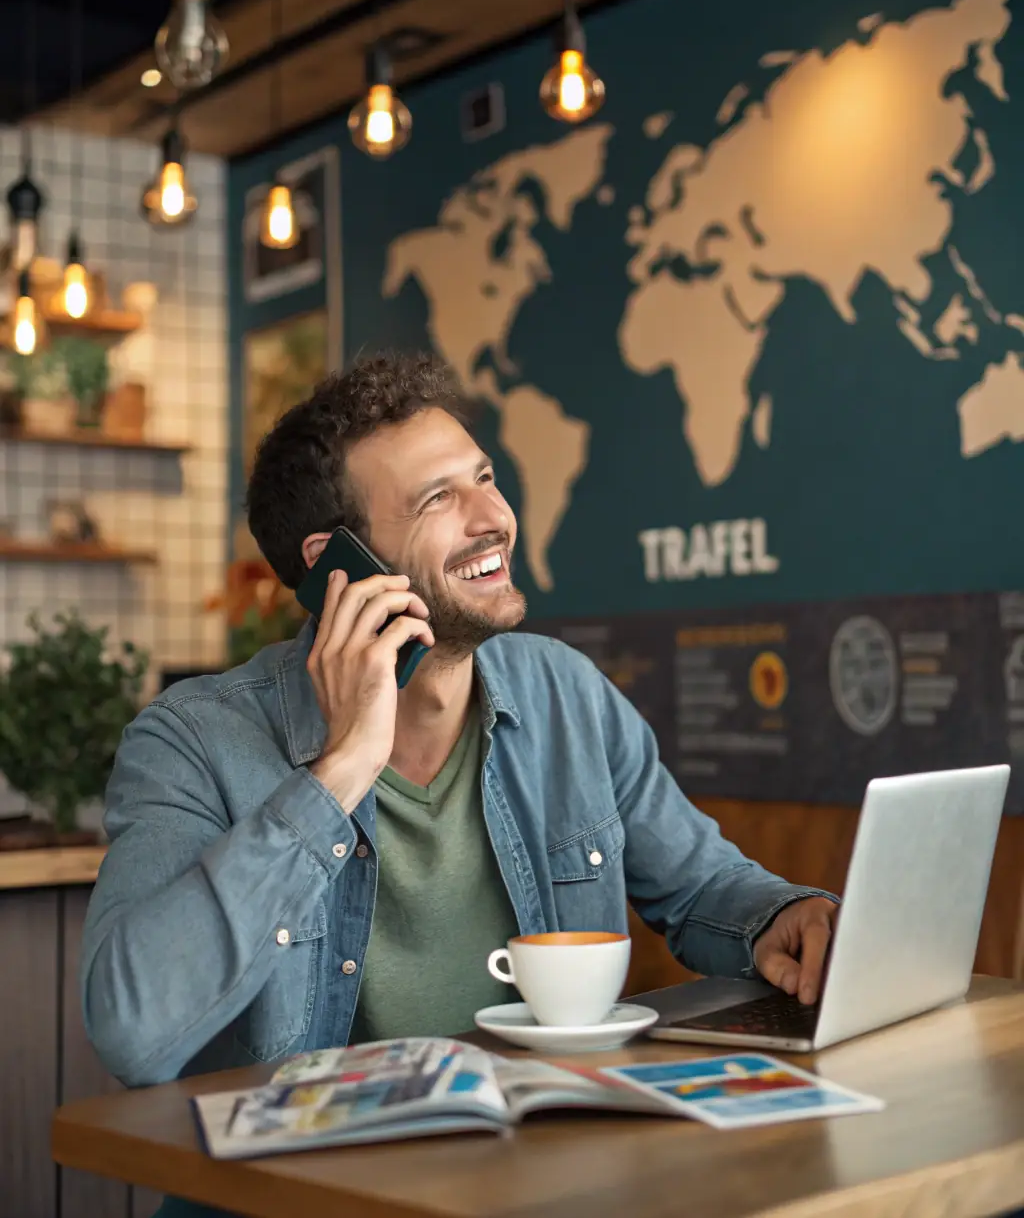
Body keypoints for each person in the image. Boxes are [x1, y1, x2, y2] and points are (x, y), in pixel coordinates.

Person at [82, 351, 836, 1136]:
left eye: (484, 477)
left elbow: (703, 887)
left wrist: (784, 915)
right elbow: (132, 1028)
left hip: (536, 1174)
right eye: (438, 497)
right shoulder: (192, 739)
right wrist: (336, 775)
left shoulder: (565, 692)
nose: (492, 517)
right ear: (336, 567)